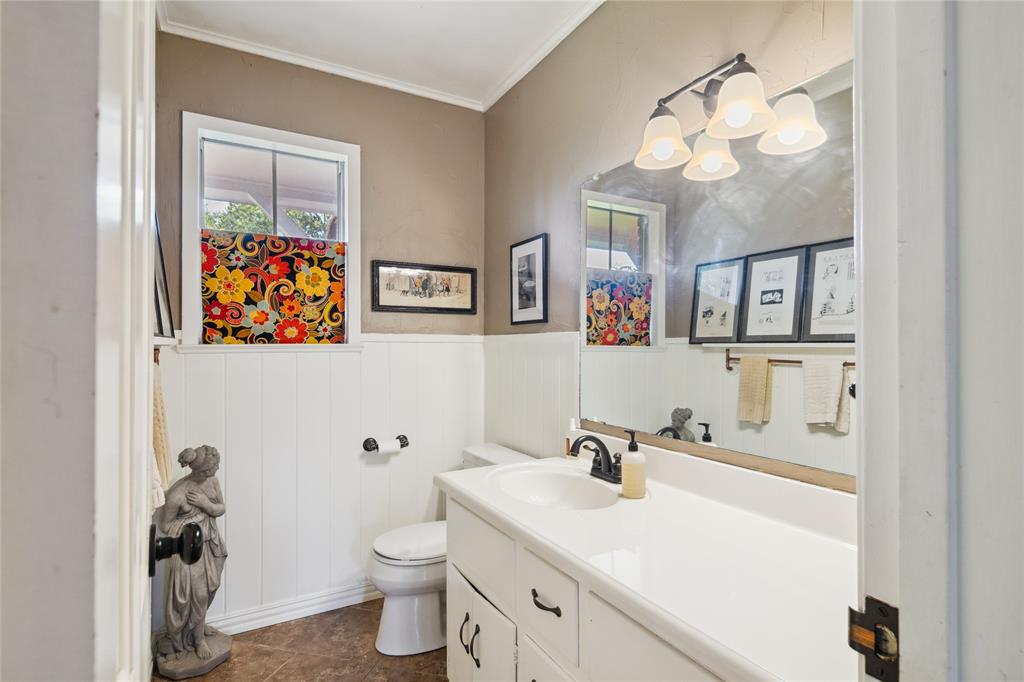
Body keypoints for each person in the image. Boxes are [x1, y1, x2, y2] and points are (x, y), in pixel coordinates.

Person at [158, 445, 227, 660]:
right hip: (189, 551)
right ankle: (197, 640)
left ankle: (199, 625)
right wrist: (194, 520)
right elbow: (165, 526)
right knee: (198, 594)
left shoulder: (213, 482)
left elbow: (221, 508)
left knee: (211, 587)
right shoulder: (178, 494)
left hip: (211, 543)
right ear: (200, 471)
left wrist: (206, 504)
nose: (216, 469)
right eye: (212, 467)